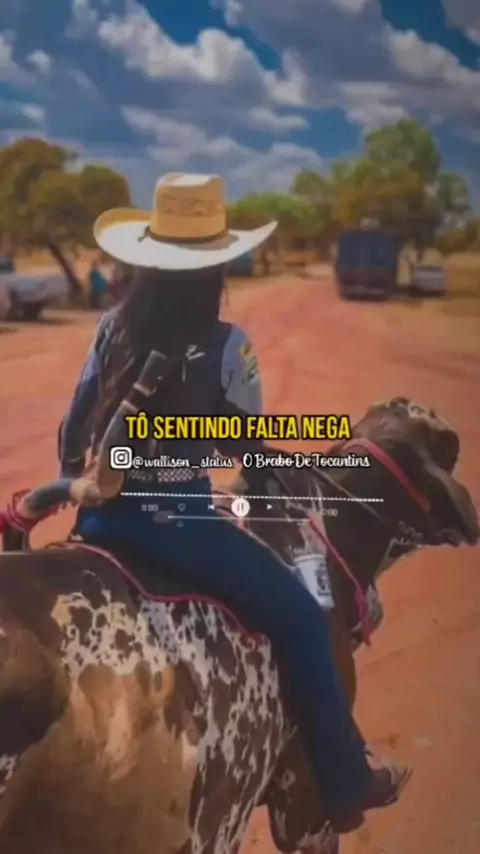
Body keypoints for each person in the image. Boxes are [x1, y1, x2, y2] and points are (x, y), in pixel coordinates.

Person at [58, 172, 409, 831]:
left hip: (98, 521)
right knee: (302, 619)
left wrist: (85, 490)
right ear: (218, 264)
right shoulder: (230, 346)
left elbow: (73, 435)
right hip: (181, 529)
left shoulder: (110, 328)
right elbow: (244, 447)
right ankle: (344, 781)